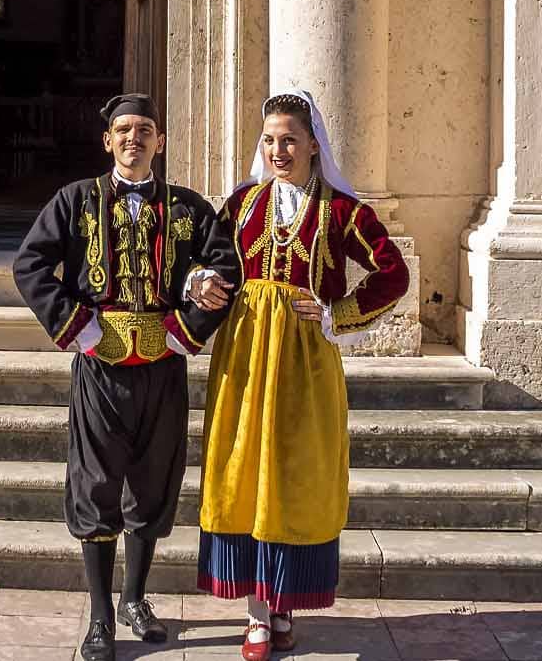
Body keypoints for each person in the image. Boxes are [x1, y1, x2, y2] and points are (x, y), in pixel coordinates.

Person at [12, 93, 239, 661]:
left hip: (163, 366)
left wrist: (189, 323)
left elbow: (225, 268)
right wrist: (79, 328)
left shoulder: (189, 208)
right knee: (96, 486)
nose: (133, 138)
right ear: (108, 141)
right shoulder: (74, 201)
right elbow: (30, 265)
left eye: (145, 130)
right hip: (99, 369)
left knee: (154, 482)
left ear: (160, 142)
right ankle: (100, 616)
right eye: (123, 130)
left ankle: (136, 599)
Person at [186, 90, 409, 659]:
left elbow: (393, 273)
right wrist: (197, 286)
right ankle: (257, 616)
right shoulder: (239, 206)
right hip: (243, 355)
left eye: (289, 139)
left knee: (293, 472)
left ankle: (282, 603)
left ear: (313, 143)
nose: (279, 149)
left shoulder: (342, 211)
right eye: (269, 140)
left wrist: (339, 312)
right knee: (244, 470)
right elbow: (199, 260)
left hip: (306, 359)